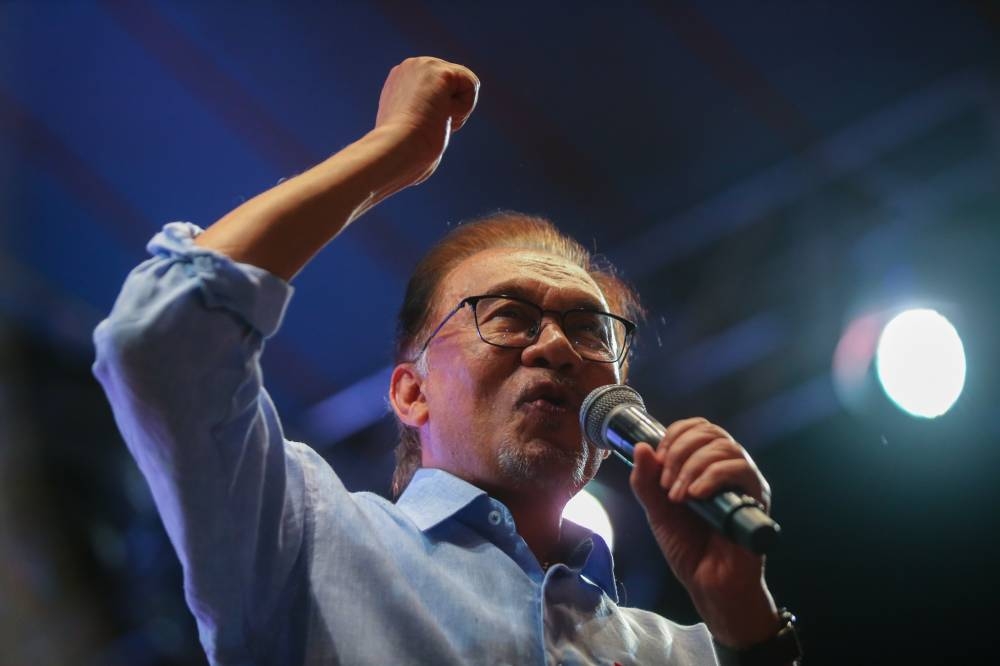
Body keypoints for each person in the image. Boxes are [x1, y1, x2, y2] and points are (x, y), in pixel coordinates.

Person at [94, 57, 800, 665]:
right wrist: (390, 151)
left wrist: (745, 623)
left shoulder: (678, 651)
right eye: (508, 315)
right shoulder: (307, 538)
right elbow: (162, 338)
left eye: (589, 330)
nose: (557, 347)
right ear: (411, 393)